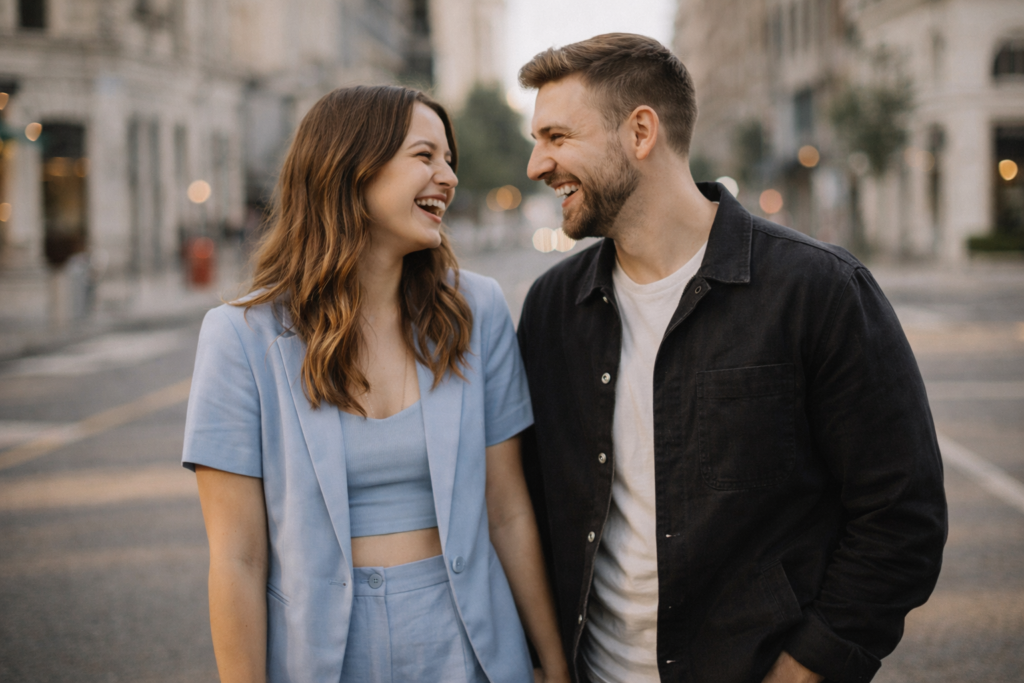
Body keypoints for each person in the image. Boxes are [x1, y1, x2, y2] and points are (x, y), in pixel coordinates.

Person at [515, 34, 947, 683]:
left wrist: (807, 667)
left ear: (640, 132)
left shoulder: (818, 290)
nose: (535, 164)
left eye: (555, 136)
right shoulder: (551, 308)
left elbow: (901, 515)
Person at [182, 85, 569, 683]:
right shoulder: (239, 337)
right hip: (321, 655)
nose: (448, 176)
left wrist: (554, 661)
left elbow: (507, 510)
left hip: (470, 642)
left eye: (450, 160)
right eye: (425, 156)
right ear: (350, 168)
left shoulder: (478, 309)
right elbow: (237, 556)